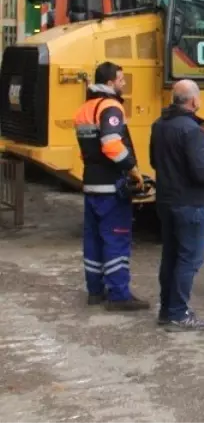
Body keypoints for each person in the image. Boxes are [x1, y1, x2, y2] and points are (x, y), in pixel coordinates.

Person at [73, 61, 150, 311]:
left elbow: (87, 150)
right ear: (109, 83)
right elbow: (111, 143)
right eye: (121, 80)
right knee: (116, 238)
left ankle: (95, 291)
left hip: (91, 185)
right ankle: (119, 295)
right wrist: (132, 169)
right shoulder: (111, 107)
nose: (124, 83)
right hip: (111, 187)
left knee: (93, 240)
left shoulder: (84, 109)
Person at [149, 80, 204, 331]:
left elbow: (153, 159)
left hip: (166, 199)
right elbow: (202, 171)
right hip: (189, 203)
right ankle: (179, 312)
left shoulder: (159, 125)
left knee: (170, 255)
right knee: (189, 258)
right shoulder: (191, 131)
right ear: (193, 101)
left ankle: (167, 309)